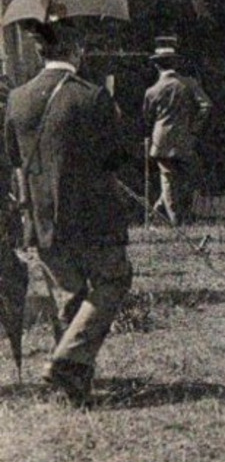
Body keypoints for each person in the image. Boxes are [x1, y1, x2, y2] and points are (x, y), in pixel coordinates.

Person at [4, 21, 132, 405]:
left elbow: (13, 157)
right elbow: (115, 156)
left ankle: (74, 386)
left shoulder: (18, 98)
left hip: (41, 216)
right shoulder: (91, 97)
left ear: (41, 53)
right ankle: (68, 359)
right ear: (77, 51)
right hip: (92, 215)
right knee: (113, 278)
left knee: (68, 295)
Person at [142, 39, 212, 226]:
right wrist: (194, 129)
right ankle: (168, 219)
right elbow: (206, 105)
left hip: (161, 141)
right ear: (176, 63)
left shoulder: (152, 91)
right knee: (180, 180)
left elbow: (147, 118)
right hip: (184, 139)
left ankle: (170, 220)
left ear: (156, 66)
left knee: (168, 181)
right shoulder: (189, 84)